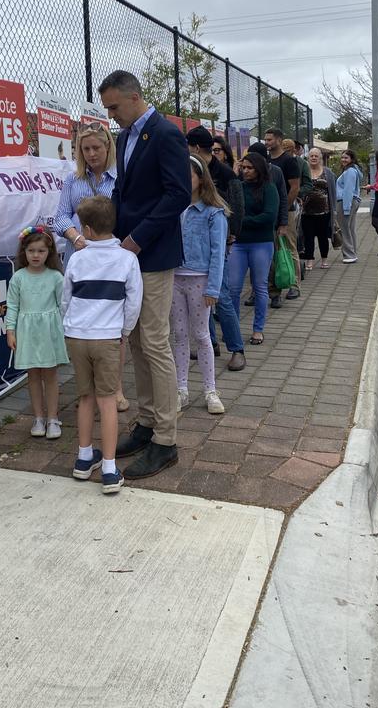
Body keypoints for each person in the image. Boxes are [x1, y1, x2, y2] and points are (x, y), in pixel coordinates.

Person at [99, 71, 191, 479]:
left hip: (152, 254)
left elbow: (178, 195)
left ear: (135, 98)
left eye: (115, 106)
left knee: (154, 342)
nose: (111, 114)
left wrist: (135, 240)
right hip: (127, 251)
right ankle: (148, 422)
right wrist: (109, 234)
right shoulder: (124, 136)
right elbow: (124, 190)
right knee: (134, 338)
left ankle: (166, 440)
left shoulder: (166, 134)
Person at [62, 196, 143, 494]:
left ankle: (84, 458)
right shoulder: (127, 259)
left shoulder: (77, 258)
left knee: (85, 397)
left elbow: (65, 298)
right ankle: (109, 467)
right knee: (108, 401)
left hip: (77, 336)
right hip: (108, 337)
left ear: (87, 229)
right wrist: (125, 330)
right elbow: (133, 301)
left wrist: (67, 325)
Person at [55, 122, 130, 410]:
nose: (91, 154)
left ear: (108, 146)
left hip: (110, 259)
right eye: (85, 149)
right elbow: (60, 217)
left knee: (111, 325)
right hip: (80, 257)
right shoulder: (72, 181)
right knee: (82, 323)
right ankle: (86, 387)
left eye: (96, 148)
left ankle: (115, 387)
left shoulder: (119, 179)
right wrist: (74, 237)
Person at [171, 155, 228, 415]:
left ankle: (210, 390)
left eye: (189, 175)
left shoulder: (213, 213)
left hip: (200, 279)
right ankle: (181, 389)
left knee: (202, 335)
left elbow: (218, 252)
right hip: (174, 277)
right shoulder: (174, 207)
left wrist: (213, 288)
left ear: (201, 178)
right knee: (179, 334)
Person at [187, 126, 245, 371]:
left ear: (197, 148)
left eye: (188, 146)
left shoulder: (226, 174)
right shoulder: (188, 171)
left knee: (221, 297)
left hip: (218, 244)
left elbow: (238, 208)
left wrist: (232, 234)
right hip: (193, 251)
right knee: (202, 299)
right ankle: (209, 342)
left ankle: (237, 348)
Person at [6, 226, 69, 439]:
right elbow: (12, 306)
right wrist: (10, 331)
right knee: (32, 375)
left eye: (41, 251)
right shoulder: (18, 278)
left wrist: (66, 330)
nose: (35, 255)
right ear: (24, 251)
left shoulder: (55, 277)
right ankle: (38, 418)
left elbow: (63, 306)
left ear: (49, 252)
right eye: (31, 250)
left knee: (50, 375)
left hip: (49, 332)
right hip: (27, 332)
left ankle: (53, 418)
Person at [228, 153, 279, 345]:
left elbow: (268, 217)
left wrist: (241, 222)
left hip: (261, 243)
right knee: (233, 288)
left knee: (259, 287)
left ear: (259, 169)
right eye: (244, 167)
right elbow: (230, 212)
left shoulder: (269, 188)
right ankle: (232, 328)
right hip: (239, 244)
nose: (246, 171)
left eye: (250, 167)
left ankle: (258, 329)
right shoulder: (238, 188)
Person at [242, 142, 288, 308]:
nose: (247, 168)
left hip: (270, 226)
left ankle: (275, 293)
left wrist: (283, 222)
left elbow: (283, 197)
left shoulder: (275, 172)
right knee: (256, 267)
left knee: (273, 263)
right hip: (249, 230)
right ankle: (256, 292)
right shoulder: (245, 175)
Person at [264, 128, 301, 301]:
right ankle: (274, 286)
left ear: (279, 140)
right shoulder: (266, 161)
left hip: (287, 211)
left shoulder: (289, 161)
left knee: (289, 247)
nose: (267, 142)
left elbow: (294, 187)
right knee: (274, 250)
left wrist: (284, 209)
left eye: (270, 139)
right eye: (266, 139)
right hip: (270, 212)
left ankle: (294, 285)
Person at [301, 148, 336, 269]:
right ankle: (309, 260)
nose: (314, 158)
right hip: (306, 212)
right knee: (308, 237)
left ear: (320, 158)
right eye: (311, 156)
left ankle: (324, 260)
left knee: (323, 237)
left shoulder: (328, 172)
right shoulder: (303, 171)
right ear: (308, 158)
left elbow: (332, 191)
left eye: (316, 156)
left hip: (324, 211)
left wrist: (334, 209)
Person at [336, 150, 363, 263]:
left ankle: (349, 255)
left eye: (346, 157)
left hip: (346, 202)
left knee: (345, 229)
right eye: (342, 157)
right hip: (352, 201)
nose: (343, 160)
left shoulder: (350, 171)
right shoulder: (353, 170)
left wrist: (346, 208)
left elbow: (348, 190)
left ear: (352, 159)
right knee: (350, 229)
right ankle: (352, 253)